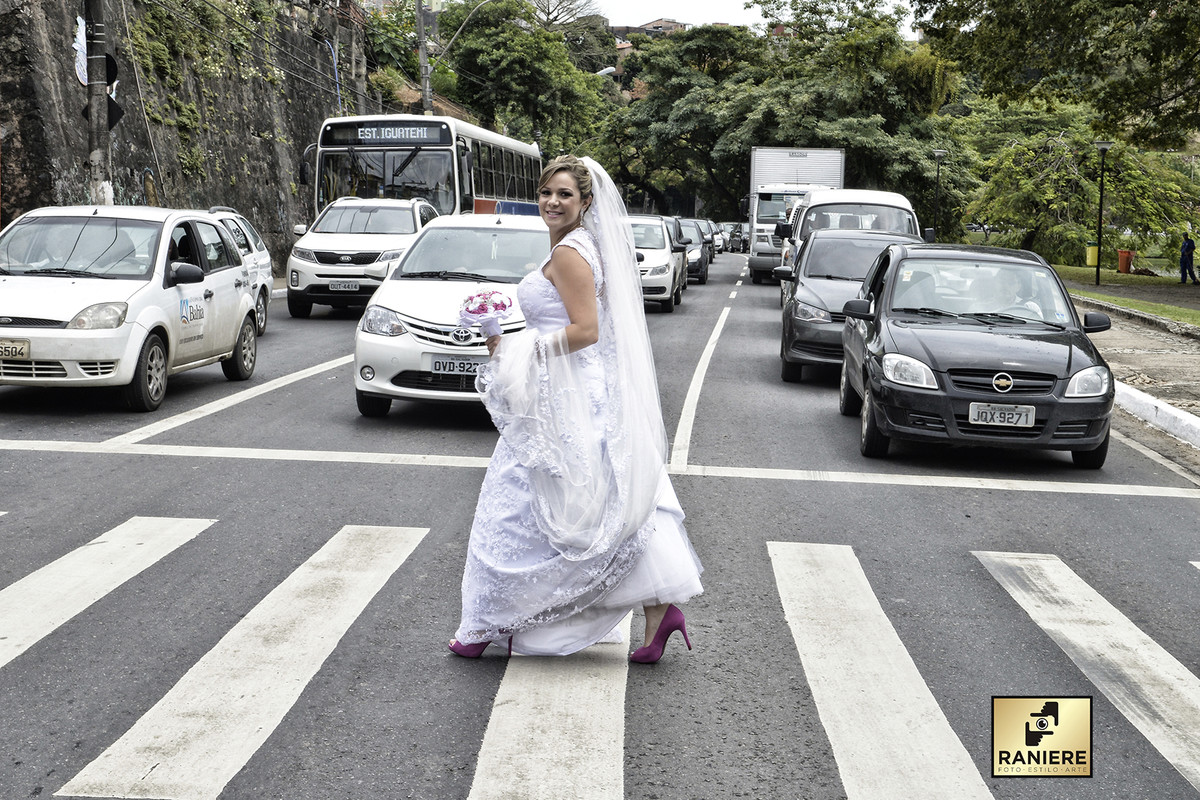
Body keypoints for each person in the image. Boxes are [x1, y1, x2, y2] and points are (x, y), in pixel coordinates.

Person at [448, 155, 704, 662]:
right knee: (608, 497)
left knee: (520, 497)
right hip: (571, 387)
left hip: (568, 395)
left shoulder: (570, 253)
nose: (552, 202)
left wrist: (518, 349)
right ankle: (660, 609)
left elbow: (586, 331)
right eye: (546, 192)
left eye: (565, 194)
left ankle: (486, 623)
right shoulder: (581, 245)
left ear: (586, 201)